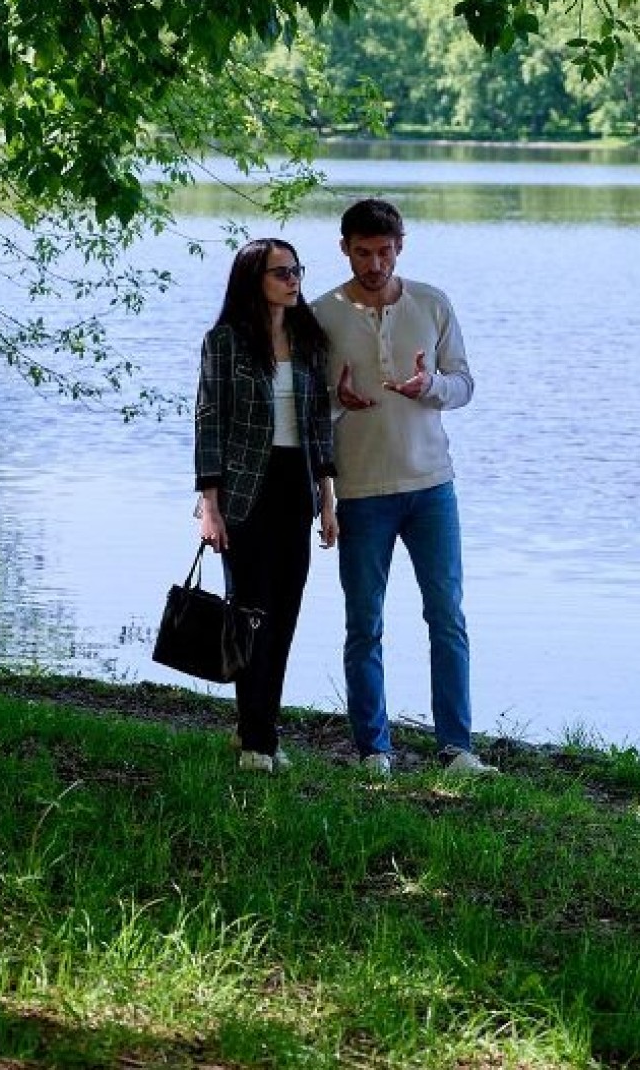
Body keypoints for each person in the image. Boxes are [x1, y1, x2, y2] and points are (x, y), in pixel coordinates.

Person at [311, 199, 496, 777]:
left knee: (447, 617)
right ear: (344, 249)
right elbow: (308, 413)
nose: (375, 264)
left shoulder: (432, 303)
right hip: (361, 492)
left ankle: (456, 748)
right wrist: (336, 402)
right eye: (363, 252)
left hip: (432, 487)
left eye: (385, 252)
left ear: (401, 246)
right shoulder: (321, 315)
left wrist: (430, 385)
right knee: (364, 624)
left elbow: (465, 384)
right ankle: (374, 750)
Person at [194, 238, 338, 773]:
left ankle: (258, 729)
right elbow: (208, 421)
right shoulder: (225, 341)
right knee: (250, 612)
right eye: (281, 272)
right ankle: (257, 740)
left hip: (295, 488)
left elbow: (319, 424)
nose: (293, 280)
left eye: (297, 270)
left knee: (284, 614)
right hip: (243, 490)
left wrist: (328, 501)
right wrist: (209, 505)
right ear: (253, 279)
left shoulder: (308, 339)